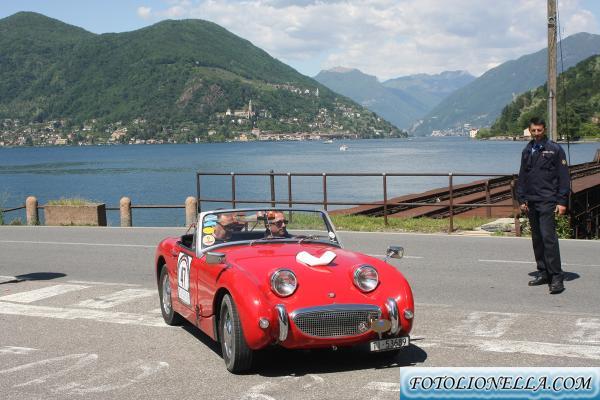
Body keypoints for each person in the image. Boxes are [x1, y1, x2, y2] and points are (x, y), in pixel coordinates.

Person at [516, 117, 570, 294]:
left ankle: (556, 277)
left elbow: (564, 177)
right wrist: (521, 198)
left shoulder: (555, 149)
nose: (537, 133)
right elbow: (522, 176)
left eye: (539, 130)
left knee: (549, 239)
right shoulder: (527, 150)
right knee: (537, 239)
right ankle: (543, 272)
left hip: (548, 200)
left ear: (544, 130)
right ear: (529, 131)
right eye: (534, 131)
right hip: (531, 201)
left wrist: (562, 201)